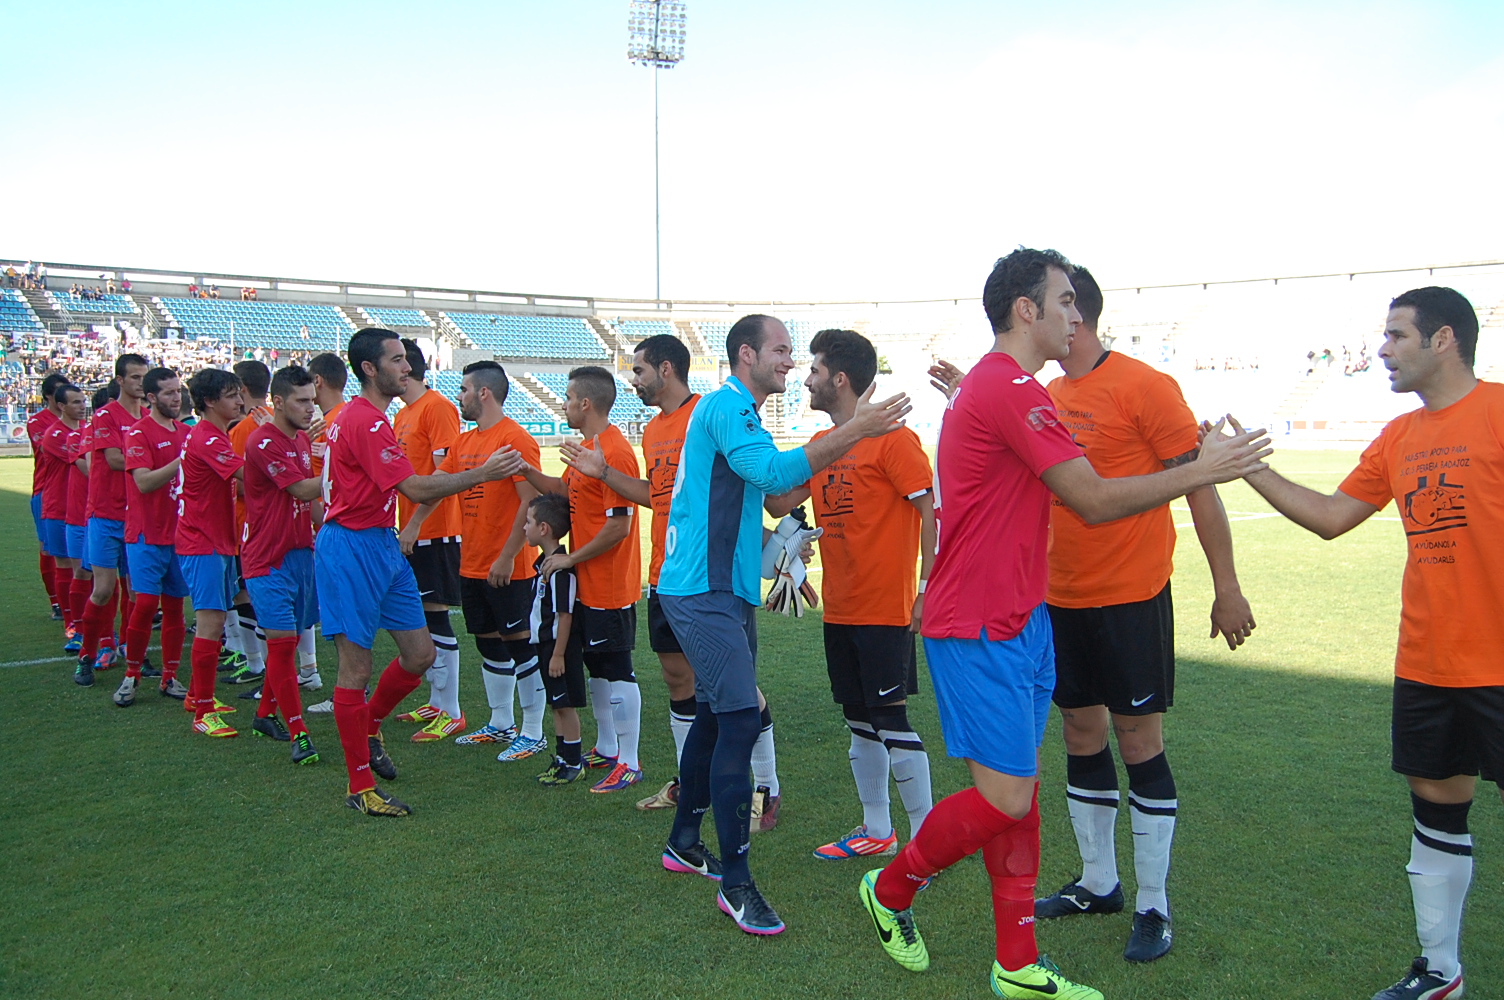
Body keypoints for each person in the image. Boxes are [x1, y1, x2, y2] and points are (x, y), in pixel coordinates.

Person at [857, 249, 1268, 999]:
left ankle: (1016, 964)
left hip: (1023, 617)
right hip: (978, 623)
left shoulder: (1011, 388)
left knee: (1022, 786)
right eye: (1067, 300)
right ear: (1027, 310)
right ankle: (890, 889)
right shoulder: (1008, 387)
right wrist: (1206, 468)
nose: (1078, 315)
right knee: (1006, 797)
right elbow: (1093, 498)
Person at [1224, 287, 1499, 1000]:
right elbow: (1330, 516)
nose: (1381, 349)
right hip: (1429, 662)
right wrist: (1247, 466)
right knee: (1437, 809)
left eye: (1396, 336)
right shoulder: (1398, 437)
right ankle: (1441, 973)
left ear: (1443, 340)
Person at [654, 313, 911, 936]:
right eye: (781, 351)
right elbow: (772, 478)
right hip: (702, 590)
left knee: (719, 715)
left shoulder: (737, 413)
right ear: (747, 354)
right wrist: (855, 429)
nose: (790, 363)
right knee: (741, 717)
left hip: (724, 589)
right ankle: (737, 883)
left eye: (794, 354)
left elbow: (764, 499)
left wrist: (783, 543)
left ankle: (685, 841)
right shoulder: (727, 406)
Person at [560, 334, 784, 822]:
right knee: (677, 678)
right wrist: (601, 474)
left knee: (737, 686)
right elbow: (656, 494)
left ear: (665, 369)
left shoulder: (708, 413)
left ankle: (766, 785)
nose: (632, 380)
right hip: (665, 573)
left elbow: (745, 488)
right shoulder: (653, 431)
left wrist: (771, 540)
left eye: (638, 371)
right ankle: (689, 783)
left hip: (709, 575)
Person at [315, 328, 516, 818]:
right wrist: (483, 473)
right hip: (351, 548)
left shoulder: (369, 418)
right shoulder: (364, 421)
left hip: (381, 542)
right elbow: (416, 488)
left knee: (421, 653)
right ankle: (359, 785)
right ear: (370, 368)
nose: (407, 368)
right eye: (398, 360)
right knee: (355, 668)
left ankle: (371, 724)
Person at [764, 329, 936, 861]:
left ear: (839, 379)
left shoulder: (894, 440)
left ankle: (928, 845)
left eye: (813, 370)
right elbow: (776, 503)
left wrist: (927, 589)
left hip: (884, 608)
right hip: (838, 609)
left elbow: (934, 517)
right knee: (859, 721)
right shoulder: (824, 447)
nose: (806, 379)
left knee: (890, 720)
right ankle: (877, 830)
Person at [516, 366, 645, 795]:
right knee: (596, 667)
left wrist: (572, 556)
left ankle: (630, 760)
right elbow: (562, 493)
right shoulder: (590, 449)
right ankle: (608, 748)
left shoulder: (615, 452)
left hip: (610, 583)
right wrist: (523, 470)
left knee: (617, 668)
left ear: (585, 403)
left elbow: (619, 526)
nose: (564, 404)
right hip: (587, 581)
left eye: (569, 398)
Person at [433, 361, 546, 757]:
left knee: (519, 645)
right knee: (488, 644)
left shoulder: (515, 438)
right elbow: (440, 485)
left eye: (463, 389)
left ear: (484, 393)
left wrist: (508, 555)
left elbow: (531, 502)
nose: (458, 396)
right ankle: (501, 722)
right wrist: (412, 525)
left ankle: (533, 731)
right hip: (472, 562)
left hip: (507, 566)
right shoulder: (464, 443)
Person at [241, 365, 323, 765]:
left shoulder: (301, 441)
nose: (311, 408)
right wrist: (348, 466)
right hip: (265, 558)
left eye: (313, 400)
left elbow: (310, 504)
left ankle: (263, 716)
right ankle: (299, 731)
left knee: (286, 643)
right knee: (283, 643)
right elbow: (300, 488)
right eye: (302, 401)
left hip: (298, 553)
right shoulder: (263, 441)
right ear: (277, 402)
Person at [391, 339, 467, 742]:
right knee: (423, 616)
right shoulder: (405, 413)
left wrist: (417, 522)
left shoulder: (437, 407)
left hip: (435, 531)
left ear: (407, 368)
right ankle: (437, 702)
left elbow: (444, 475)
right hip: (412, 529)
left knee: (435, 616)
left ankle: (450, 709)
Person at [176, 368, 248, 737]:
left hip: (213, 540)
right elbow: (250, 478)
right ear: (209, 402)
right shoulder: (209, 439)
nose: (239, 401)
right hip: (202, 542)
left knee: (216, 621)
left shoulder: (210, 434)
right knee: (210, 623)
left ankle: (197, 695)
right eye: (232, 395)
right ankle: (203, 711)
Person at [77, 354, 150, 684]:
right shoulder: (105, 416)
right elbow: (116, 459)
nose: (140, 383)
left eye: (143, 377)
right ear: (120, 381)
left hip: (137, 515)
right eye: (134, 377)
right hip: (106, 513)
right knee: (104, 589)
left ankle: (133, 652)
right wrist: (157, 463)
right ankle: (87, 654)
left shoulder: (149, 417)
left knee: (138, 591)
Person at [119, 368, 190, 706]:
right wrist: (182, 461)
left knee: (176, 606)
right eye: (168, 393)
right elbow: (144, 482)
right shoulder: (138, 433)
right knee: (146, 603)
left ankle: (169, 676)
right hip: (146, 533)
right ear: (151, 398)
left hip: (180, 535)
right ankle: (131, 675)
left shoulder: (184, 433)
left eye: (178, 391)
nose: (176, 398)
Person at [525, 493, 588, 785]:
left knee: (565, 704)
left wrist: (558, 654)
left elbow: (566, 615)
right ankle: (562, 758)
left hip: (558, 648)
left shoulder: (560, 570)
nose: (524, 528)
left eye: (528, 522)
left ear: (543, 529)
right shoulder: (544, 564)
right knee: (555, 703)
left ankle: (574, 762)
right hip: (546, 646)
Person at [225, 359, 274, 686]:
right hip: (281, 524)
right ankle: (306, 668)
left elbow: (242, 484)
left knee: (246, 593)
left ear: (240, 390)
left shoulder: (243, 429)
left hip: (251, 525)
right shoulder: (279, 418)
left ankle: (256, 662)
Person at [39, 385, 88, 653]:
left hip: (81, 506)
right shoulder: (56, 435)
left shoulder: (84, 431)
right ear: (61, 406)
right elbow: (87, 465)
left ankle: (87, 620)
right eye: (75, 402)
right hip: (59, 507)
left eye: (83, 401)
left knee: (84, 566)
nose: (82, 406)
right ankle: (70, 621)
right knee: (65, 564)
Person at [27, 372, 69, 620]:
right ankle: (55, 601)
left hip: (74, 489)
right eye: (59, 392)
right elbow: (50, 448)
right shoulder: (38, 422)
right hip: (46, 489)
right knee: (48, 548)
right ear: (49, 397)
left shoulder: (75, 422)